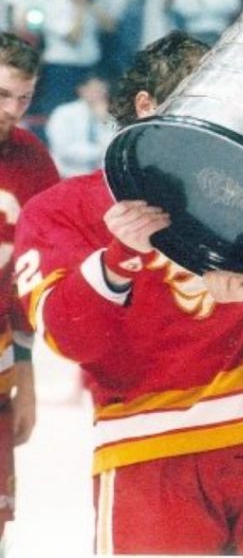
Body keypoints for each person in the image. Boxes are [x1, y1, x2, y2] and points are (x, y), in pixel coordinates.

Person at [13, 31, 243, 554]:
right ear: (147, 106)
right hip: (151, 456)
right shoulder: (62, 209)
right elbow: (68, 338)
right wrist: (118, 257)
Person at [0, 32, 60, 539]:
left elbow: (33, 284)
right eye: (2, 95)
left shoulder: (34, 161)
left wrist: (27, 376)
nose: (13, 110)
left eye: (24, 98)